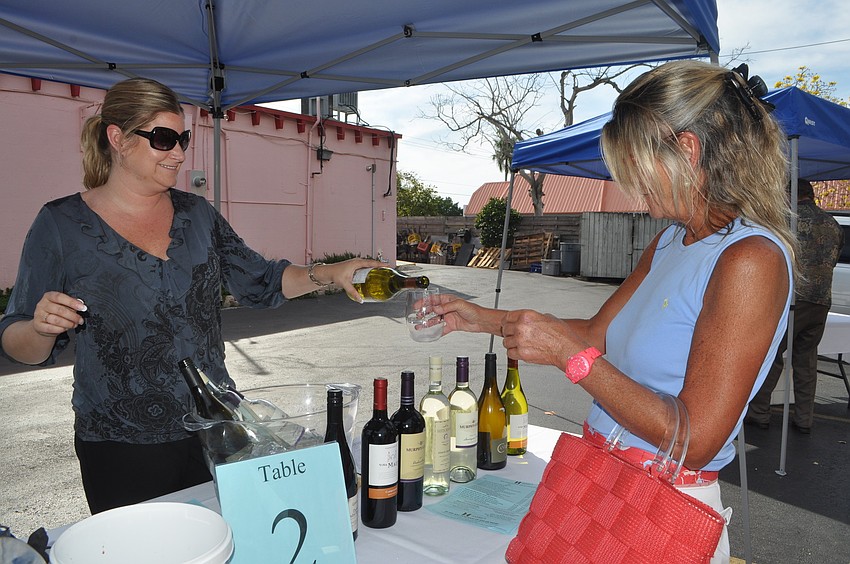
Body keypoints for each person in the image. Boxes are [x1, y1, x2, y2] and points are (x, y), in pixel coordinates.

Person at [432, 60, 796, 563]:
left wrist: (574, 361)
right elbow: (597, 334)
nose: (634, 193)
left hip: (662, 511)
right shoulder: (670, 240)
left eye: (638, 172)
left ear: (687, 151)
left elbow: (692, 439)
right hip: (603, 483)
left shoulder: (750, 260)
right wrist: (479, 318)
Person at [0, 77, 382, 514]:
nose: (179, 153)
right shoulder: (61, 224)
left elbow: (263, 281)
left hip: (216, 431)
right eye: (163, 140)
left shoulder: (197, 215)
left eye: (181, 139)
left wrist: (332, 273)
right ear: (118, 139)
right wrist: (39, 326)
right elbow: (18, 344)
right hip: (121, 446)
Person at [746, 179, 844, 433]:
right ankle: (804, 419)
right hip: (821, 300)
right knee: (806, 361)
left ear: (791, 195)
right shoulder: (832, 224)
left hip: (793, 299)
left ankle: (759, 413)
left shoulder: (788, 222)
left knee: (772, 356)